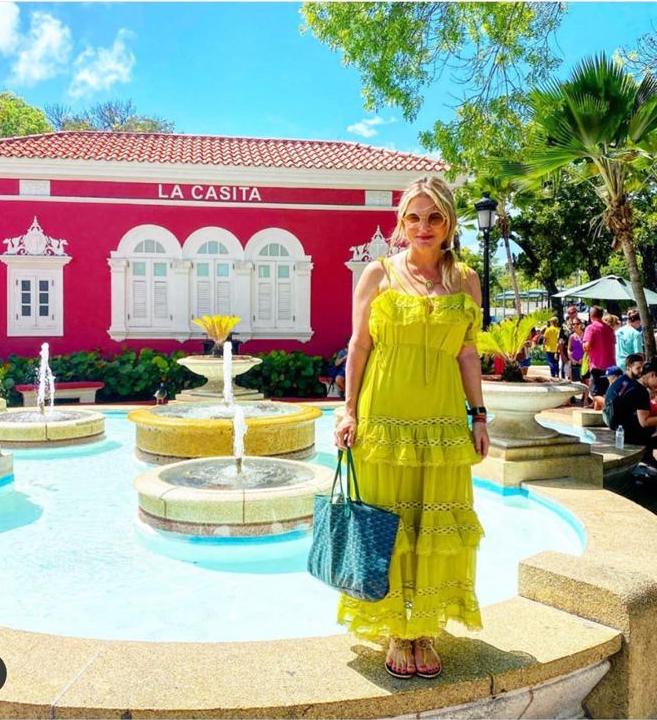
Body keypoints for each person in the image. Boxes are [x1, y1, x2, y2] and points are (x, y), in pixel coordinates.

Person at [334, 175, 488, 680]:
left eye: (435, 216)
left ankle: (423, 627)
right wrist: (348, 410)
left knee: (432, 524)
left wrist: (479, 415)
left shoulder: (465, 279)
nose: (424, 226)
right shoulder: (377, 274)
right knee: (390, 519)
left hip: (441, 419)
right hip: (385, 416)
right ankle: (397, 630)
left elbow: (467, 353)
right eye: (415, 217)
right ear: (402, 223)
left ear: (450, 223)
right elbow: (359, 346)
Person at [603, 358, 657, 468]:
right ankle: (647, 459)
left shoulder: (627, 382)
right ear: (652, 375)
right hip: (630, 436)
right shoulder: (640, 391)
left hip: (618, 428)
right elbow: (644, 422)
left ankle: (648, 458)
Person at [583, 306, 616, 403]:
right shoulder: (609, 329)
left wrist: (584, 345)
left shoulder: (591, 328)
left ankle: (609, 406)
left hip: (597, 365)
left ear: (590, 315)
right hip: (610, 366)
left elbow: (587, 346)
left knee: (594, 394)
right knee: (604, 392)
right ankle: (599, 409)